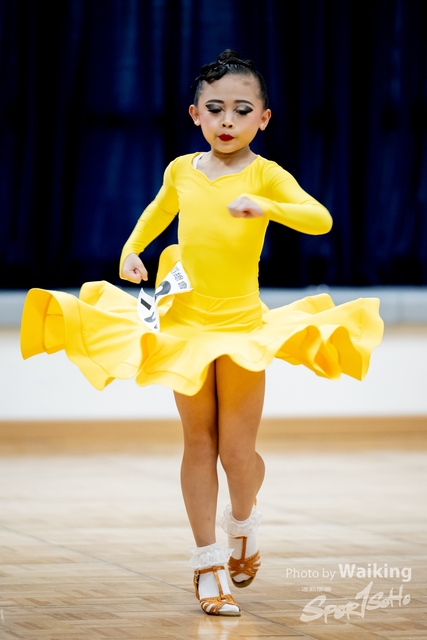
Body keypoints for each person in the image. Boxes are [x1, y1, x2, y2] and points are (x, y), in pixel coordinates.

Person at [20, 49, 384, 617]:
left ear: (263, 118)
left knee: (238, 454)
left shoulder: (266, 174)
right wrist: (131, 249)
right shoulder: (182, 170)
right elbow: (157, 211)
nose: (227, 121)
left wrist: (265, 204)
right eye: (215, 109)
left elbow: (321, 219)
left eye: (242, 110)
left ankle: (244, 520)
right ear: (195, 115)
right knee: (199, 443)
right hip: (185, 323)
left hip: (241, 326)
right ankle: (208, 562)